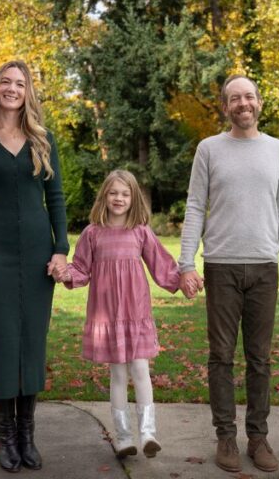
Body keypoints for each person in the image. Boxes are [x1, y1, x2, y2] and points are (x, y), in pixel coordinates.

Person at [178, 74, 279, 474]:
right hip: (221, 265)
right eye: (235, 98)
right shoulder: (209, 149)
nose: (243, 103)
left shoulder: (278, 151)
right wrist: (186, 262)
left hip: (265, 267)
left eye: (249, 95)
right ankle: (226, 437)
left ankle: (258, 438)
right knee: (221, 356)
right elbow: (195, 206)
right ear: (225, 106)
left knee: (260, 359)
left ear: (259, 101)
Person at [0, 60, 68, 473]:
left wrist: (61, 249)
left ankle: (27, 435)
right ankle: (5, 435)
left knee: (32, 341)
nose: (12, 88)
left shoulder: (43, 140)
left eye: (20, 83)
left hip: (40, 252)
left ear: (28, 92)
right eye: (6, 81)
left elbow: (56, 199)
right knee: (3, 342)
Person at [56, 170, 181, 459]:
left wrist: (182, 281)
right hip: (107, 315)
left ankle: (148, 432)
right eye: (113, 193)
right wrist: (64, 274)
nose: (119, 198)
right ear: (104, 196)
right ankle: (124, 437)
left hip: (135, 312)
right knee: (117, 375)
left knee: (140, 370)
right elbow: (80, 269)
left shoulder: (140, 230)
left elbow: (161, 264)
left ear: (133, 198)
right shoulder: (92, 233)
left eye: (125, 194)